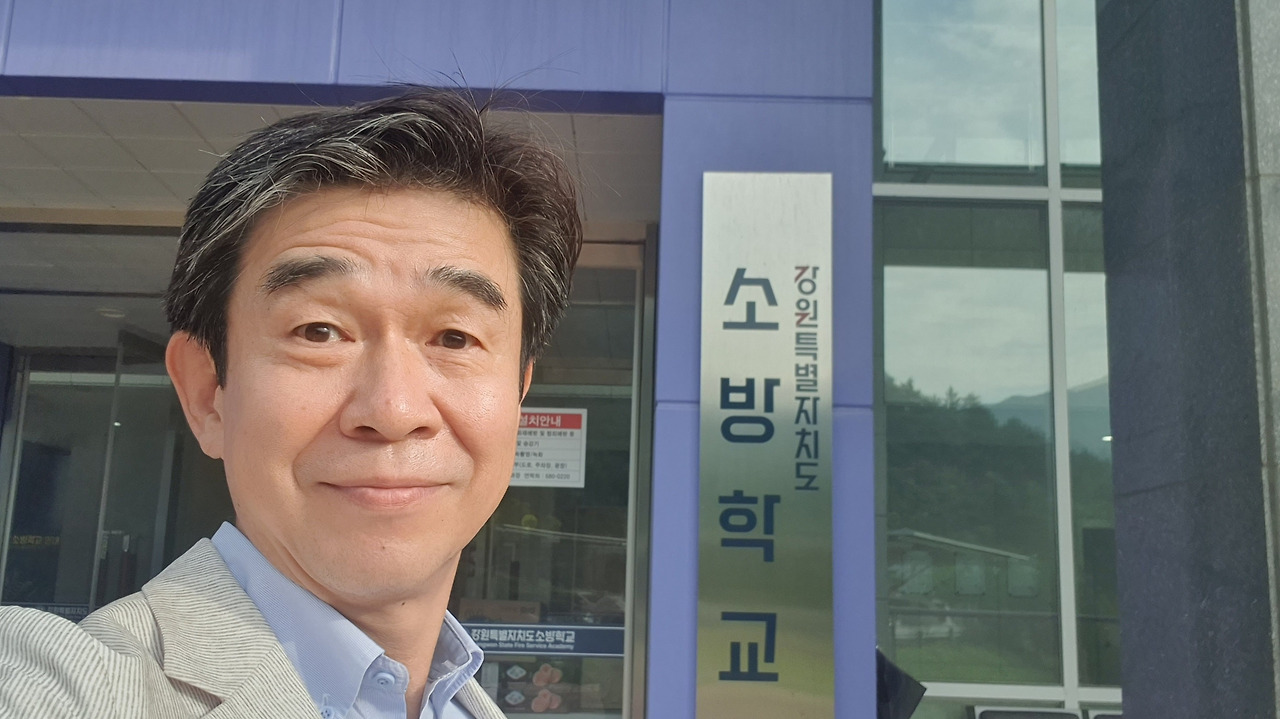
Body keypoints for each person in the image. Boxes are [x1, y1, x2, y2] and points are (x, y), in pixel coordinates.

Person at [0, 89, 582, 719]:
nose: (393, 410)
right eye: (319, 332)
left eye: (455, 338)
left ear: (518, 393)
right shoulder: (68, 684)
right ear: (207, 393)